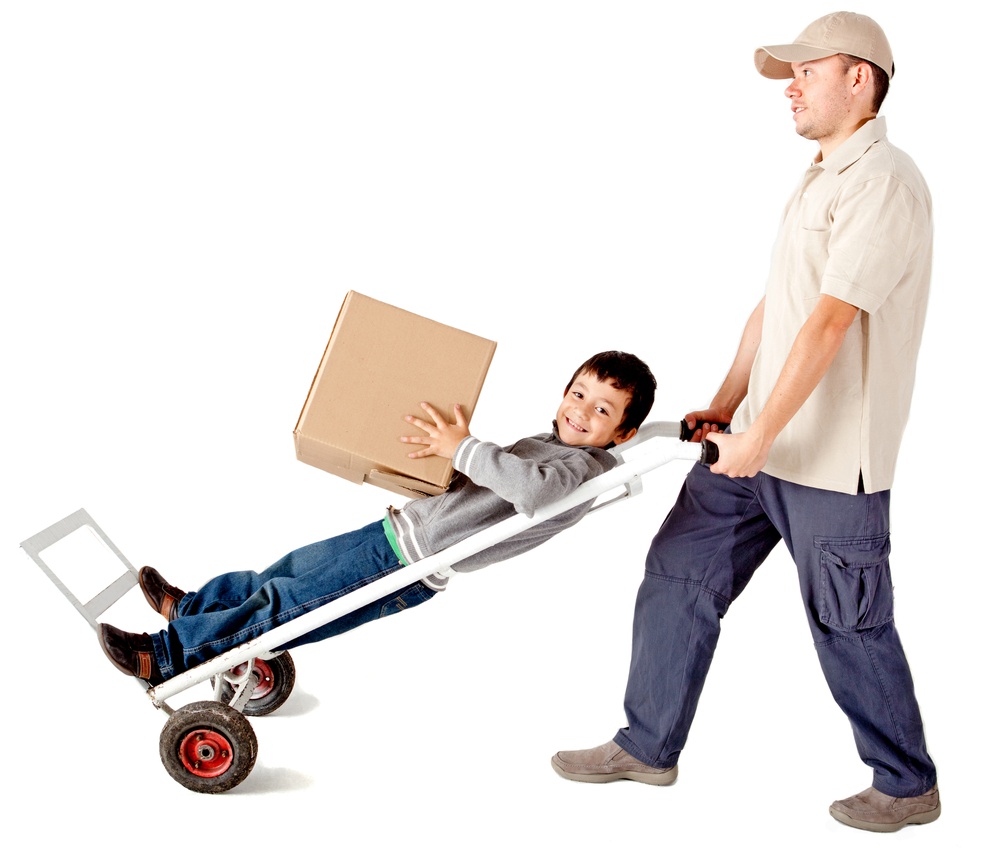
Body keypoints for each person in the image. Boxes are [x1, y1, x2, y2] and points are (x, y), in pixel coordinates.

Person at [550, 12, 939, 834]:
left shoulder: (884, 183)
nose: (791, 86)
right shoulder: (819, 176)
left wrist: (760, 440)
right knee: (676, 577)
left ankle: (906, 785)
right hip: (754, 443)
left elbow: (831, 322)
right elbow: (778, 306)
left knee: (849, 624)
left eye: (808, 71)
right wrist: (729, 405)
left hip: (830, 463)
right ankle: (647, 745)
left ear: (859, 79)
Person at [97, 351, 657, 687]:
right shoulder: (546, 441)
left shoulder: (580, 471)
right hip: (396, 532)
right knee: (282, 572)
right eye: (579, 393)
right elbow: (489, 486)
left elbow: (530, 493)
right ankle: (195, 608)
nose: (581, 411)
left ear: (623, 435)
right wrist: (443, 463)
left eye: (602, 409)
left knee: (286, 606)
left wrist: (465, 446)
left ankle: (168, 656)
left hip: (408, 565)